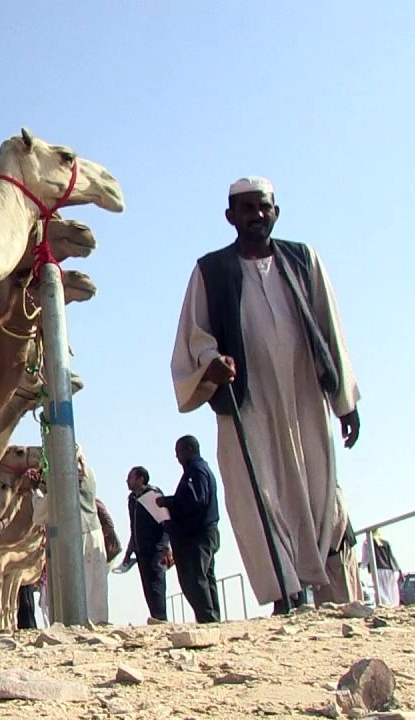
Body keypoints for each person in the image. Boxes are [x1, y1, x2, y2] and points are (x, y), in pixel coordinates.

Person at [170, 175, 362, 615]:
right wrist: (212, 363)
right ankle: (284, 592)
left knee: (314, 484)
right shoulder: (211, 270)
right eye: (247, 209)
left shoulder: (303, 260)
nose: (257, 215)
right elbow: (195, 335)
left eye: (264, 207)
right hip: (246, 400)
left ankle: (308, 584)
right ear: (230, 217)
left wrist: (345, 400)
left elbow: (329, 326)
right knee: (256, 492)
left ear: (275, 212)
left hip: (304, 393)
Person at [158, 435, 221, 623]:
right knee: (205, 577)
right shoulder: (199, 470)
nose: (177, 457)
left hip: (198, 534)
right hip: (203, 532)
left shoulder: (197, 471)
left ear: (189, 450)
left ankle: (207, 619)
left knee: (195, 578)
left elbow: (195, 501)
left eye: (179, 452)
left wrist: (168, 503)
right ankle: (210, 617)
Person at [118, 466, 173, 622]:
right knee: (148, 587)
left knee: (156, 585)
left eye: (131, 478)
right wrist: (129, 552)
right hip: (141, 550)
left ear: (141, 479)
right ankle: (156, 618)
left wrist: (166, 548)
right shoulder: (132, 500)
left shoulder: (153, 495)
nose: (127, 481)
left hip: (156, 549)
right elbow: (133, 528)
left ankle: (161, 619)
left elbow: (165, 522)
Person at [76, 445, 109, 624]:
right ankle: (100, 618)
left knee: (83, 578)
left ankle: (83, 619)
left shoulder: (65, 475)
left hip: (79, 530)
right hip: (95, 529)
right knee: (98, 580)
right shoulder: (91, 473)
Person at [360, 529, 402, 606]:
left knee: (381, 593)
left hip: (377, 570)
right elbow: (391, 557)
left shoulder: (367, 542)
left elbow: (366, 559)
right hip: (390, 570)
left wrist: (360, 566)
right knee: (390, 593)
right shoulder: (385, 543)